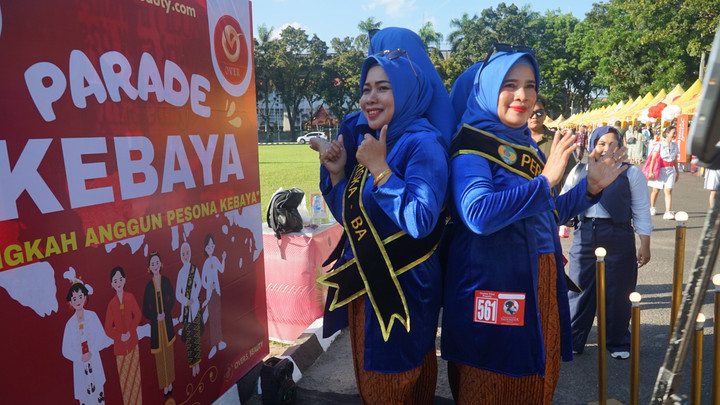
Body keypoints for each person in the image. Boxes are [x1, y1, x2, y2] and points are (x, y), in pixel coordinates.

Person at [441, 49, 628, 404]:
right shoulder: (471, 146)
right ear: (487, 89)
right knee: (493, 382)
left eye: (530, 86)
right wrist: (545, 182)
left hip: (538, 277)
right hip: (494, 284)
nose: (522, 96)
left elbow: (544, 213)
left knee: (536, 378)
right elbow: (478, 213)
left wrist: (589, 189)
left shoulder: (523, 143)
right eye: (509, 85)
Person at [313, 48, 449, 404]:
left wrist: (381, 170)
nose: (371, 98)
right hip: (368, 289)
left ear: (405, 91)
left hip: (405, 289)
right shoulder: (375, 140)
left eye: (383, 88)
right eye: (366, 88)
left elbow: (421, 219)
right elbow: (353, 220)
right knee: (384, 385)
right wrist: (338, 174)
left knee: (392, 385)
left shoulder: (423, 143)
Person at [561, 126, 652, 360]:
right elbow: (564, 200)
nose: (606, 149)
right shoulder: (579, 170)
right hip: (585, 233)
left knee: (619, 290)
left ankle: (617, 340)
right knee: (579, 288)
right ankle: (573, 339)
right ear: (593, 145)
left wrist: (645, 242)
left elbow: (641, 209)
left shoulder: (632, 173)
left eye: (613, 144)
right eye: (601, 143)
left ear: (621, 146)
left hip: (618, 233)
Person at [62, 274, 113, 404]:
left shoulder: (92, 316)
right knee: (85, 399)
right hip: (80, 366)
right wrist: (80, 357)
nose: (78, 301)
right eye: (74, 298)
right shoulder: (69, 324)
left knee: (99, 397)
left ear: (85, 297)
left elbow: (101, 337)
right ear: (70, 301)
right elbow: (65, 350)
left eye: (80, 297)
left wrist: (92, 351)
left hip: (94, 360)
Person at [104, 266, 143, 405]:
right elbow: (108, 329)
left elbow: (137, 315)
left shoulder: (130, 297)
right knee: (125, 382)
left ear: (125, 280)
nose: (118, 282)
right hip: (120, 350)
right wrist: (120, 337)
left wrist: (130, 332)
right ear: (112, 284)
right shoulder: (111, 304)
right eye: (115, 280)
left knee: (136, 378)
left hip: (133, 344)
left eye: (120, 279)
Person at [142, 251, 176, 396]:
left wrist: (165, 312)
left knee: (169, 353)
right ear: (149, 267)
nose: (155, 266)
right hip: (156, 326)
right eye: (152, 264)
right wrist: (155, 316)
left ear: (160, 264)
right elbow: (145, 309)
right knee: (159, 357)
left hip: (166, 323)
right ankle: (164, 385)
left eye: (157, 263)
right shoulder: (148, 287)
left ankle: (170, 382)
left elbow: (172, 298)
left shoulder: (166, 281)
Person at [528, 94, 575, 191]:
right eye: (530, 113)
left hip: (551, 197)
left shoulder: (558, 140)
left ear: (545, 114)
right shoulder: (514, 140)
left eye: (539, 112)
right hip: (522, 197)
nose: (535, 116)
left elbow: (569, 176)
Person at [176, 241, 203, 377]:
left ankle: (198, 363)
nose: (185, 256)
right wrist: (186, 301)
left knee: (196, 335)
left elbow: (199, 284)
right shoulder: (181, 273)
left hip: (195, 306)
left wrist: (194, 297)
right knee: (189, 338)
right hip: (186, 309)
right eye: (183, 254)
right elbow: (177, 293)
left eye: (187, 253)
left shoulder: (194, 269)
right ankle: (192, 364)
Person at [201, 233, 227, 359]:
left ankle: (220, 341)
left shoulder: (216, 259)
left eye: (212, 245)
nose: (210, 248)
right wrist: (208, 286)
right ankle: (213, 345)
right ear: (205, 249)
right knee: (212, 319)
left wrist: (223, 259)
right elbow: (203, 280)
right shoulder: (206, 263)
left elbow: (221, 269)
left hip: (217, 292)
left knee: (218, 316)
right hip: (210, 294)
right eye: (208, 246)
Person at [648, 126, 680, 219]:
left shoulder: (675, 146)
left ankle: (667, 212)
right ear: (667, 133)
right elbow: (653, 159)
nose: (674, 135)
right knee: (656, 190)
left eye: (675, 133)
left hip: (670, 170)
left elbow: (675, 160)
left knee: (668, 190)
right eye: (673, 133)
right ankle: (652, 207)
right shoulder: (659, 145)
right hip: (660, 169)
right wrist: (650, 171)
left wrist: (677, 171)